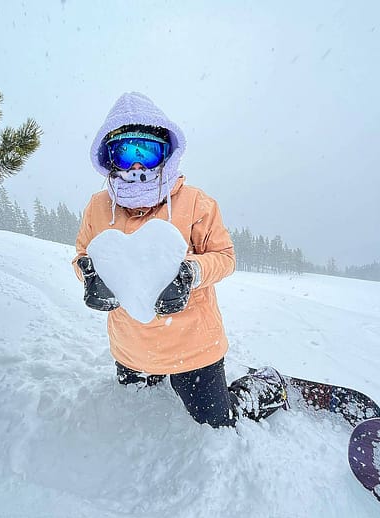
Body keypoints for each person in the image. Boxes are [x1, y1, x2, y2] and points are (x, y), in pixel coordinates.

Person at [72, 92, 288, 428]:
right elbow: (83, 255)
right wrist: (90, 277)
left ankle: (265, 385)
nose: (137, 166)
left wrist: (191, 272)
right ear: (109, 157)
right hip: (131, 347)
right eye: (126, 153)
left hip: (193, 347)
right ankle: (155, 375)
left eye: (147, 151)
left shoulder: (197, 203)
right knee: (133, 404)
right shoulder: (98, 207)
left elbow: (225, 257)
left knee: (218, 419)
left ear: (166, 154)